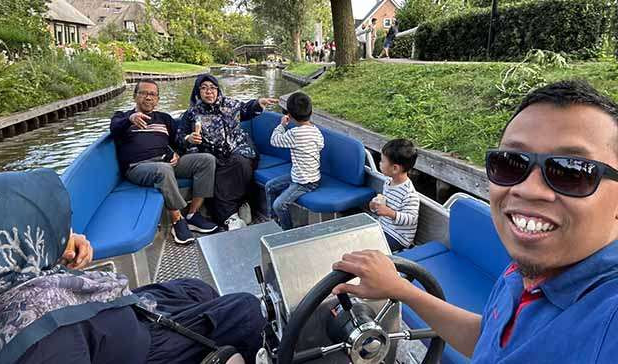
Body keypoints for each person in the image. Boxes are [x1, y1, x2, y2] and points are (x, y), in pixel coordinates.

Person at [332, 80, 618, 362]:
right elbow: (490, 341)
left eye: (572, 171)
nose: (528, 189)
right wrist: (401, 289)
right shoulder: (524, 269)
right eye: (512, 163)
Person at [0, 169, 266, 364]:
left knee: (197, 288)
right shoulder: (38, 340)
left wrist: (57, 249)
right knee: (246, 310)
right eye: (55, 224)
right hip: (144, 349)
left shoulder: (6, 275)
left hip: (122, 312)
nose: (65, 229)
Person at [110, 79, 218, 245]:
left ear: (157, 99)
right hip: (138, 168)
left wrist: (179, 148)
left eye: (152, 94)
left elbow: (178, 141)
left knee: (206, 160)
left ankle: (193, 214)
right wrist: (130, 118)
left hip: (166, 163)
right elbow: (115, 128)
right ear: (135, 96)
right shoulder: (122, 118)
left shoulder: (164, 118)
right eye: (144, 93)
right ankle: (177, 221)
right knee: (163, 169)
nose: (148, 98)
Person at [179, 74, 278, 230]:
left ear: (218, 90)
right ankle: (233, 212)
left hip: (240, 148)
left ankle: (231, 212)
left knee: (241, 163)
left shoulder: (230, 104)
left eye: (212, 88)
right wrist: (189, 138)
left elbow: (246, 110)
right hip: (212, 154)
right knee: (214, 169)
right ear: (197, 92)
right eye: (204, 88)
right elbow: (180, 136)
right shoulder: (192, 113)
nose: (209, 92)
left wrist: (258, 103)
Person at [265, 92, 324, 230]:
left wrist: (282, 125)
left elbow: (274, 140)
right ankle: (274, 222)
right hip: (301, 176)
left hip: (306, 182)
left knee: (279, 205)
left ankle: (287, 231)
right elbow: (321, 145)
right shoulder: (316, 131)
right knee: (269, 186)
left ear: (289, 116)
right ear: (310, 112)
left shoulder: (294, 133)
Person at [370, 138, 420, 251]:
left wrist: (390, 213)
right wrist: (375, 206)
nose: (380, 163)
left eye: (382, 161)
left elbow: (411, 219)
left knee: (370, 246)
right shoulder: (388, 182)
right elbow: (385, 207)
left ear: (395, 168)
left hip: (398, 237)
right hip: (384, 227)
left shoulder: (409, 193)